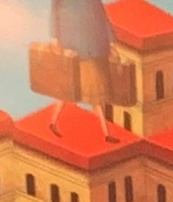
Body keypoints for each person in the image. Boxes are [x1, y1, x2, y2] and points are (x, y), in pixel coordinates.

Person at [47, 0, 119, 141]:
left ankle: (106, 133)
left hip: (92, 49)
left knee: (90, 92)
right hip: (74, 49)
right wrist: (55, 38)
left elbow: (102, 16)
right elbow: (54, 14)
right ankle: (106, 133)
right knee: (85, 91)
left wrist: (110, 42)